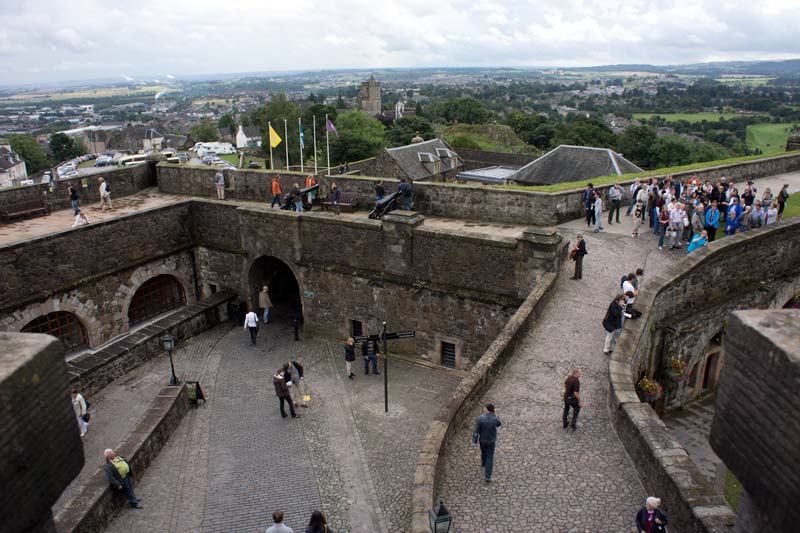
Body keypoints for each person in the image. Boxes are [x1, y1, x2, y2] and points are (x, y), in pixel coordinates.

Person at [472, 404, 502, 483]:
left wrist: (475, 440)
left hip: (482, 440)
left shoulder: (480, 418)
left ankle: (483, 463)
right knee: (490, 456)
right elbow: (499, 424)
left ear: (487, 409)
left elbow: (476, 430)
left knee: (483, 451)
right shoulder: (495, 419)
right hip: (491, 440)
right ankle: (487, 476)